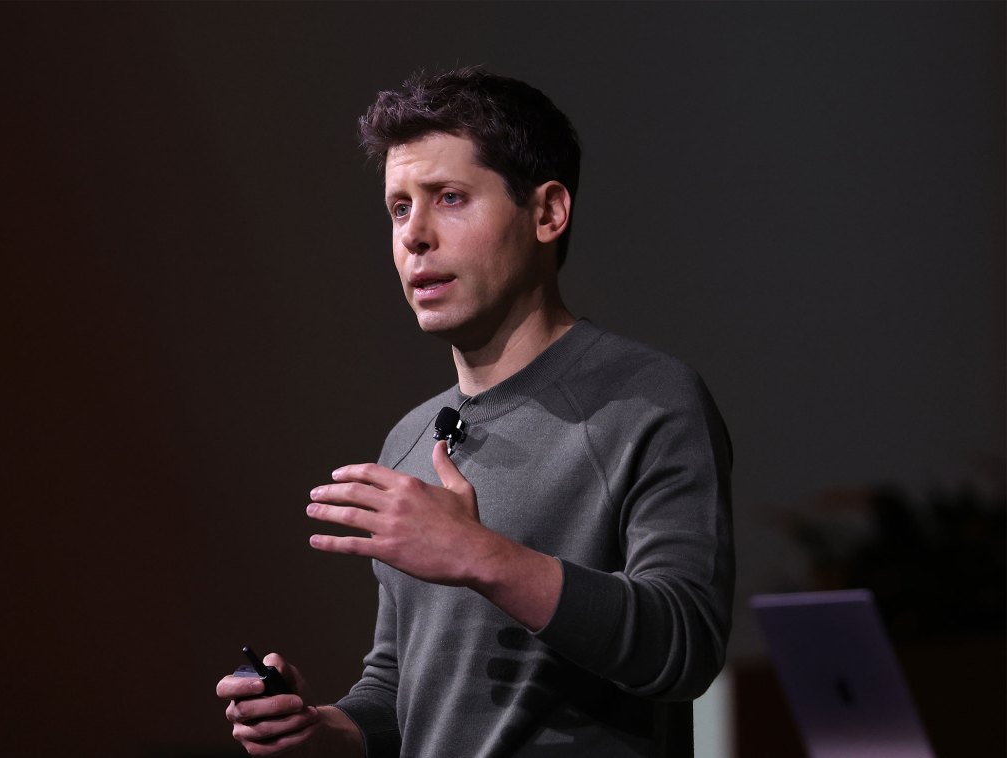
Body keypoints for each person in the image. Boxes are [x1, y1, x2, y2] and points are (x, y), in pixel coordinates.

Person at [216, 66, 734, 757]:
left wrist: (480, 556)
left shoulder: (645, 399)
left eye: (450, 198)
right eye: (399, 208)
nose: (415, 236)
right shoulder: (410, 437)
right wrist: (321, 729)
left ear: (548, 213)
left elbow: (684, 645)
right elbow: (401, 687)